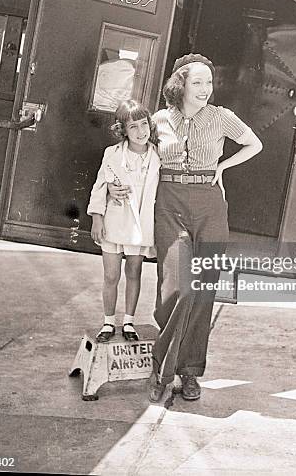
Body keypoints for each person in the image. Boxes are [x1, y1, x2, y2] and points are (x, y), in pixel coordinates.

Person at [108, 54, 263, 402]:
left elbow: (255, 144)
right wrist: (113, 184)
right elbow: (131, 152)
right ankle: (162, 367)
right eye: (198, 82)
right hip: (171, 204)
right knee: (177, 288)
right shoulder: (160, 119)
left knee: (204, 289)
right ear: (181, 85)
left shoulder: (223, 117)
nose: (205, 89)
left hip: (210, 205)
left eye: (209, 82)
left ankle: (189, 372)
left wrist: (223, 167)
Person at [87, 99, 161, 342]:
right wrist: (97, 219)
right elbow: (99, 188)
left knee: (134, 271)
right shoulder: (113, 154)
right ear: (122, 130)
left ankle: (128, 321)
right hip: (115, 223)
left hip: (140, 226)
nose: (141, 132)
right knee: (110, 275)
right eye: (133, 127)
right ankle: (108, 322)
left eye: (144, 125)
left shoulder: (157, 156)